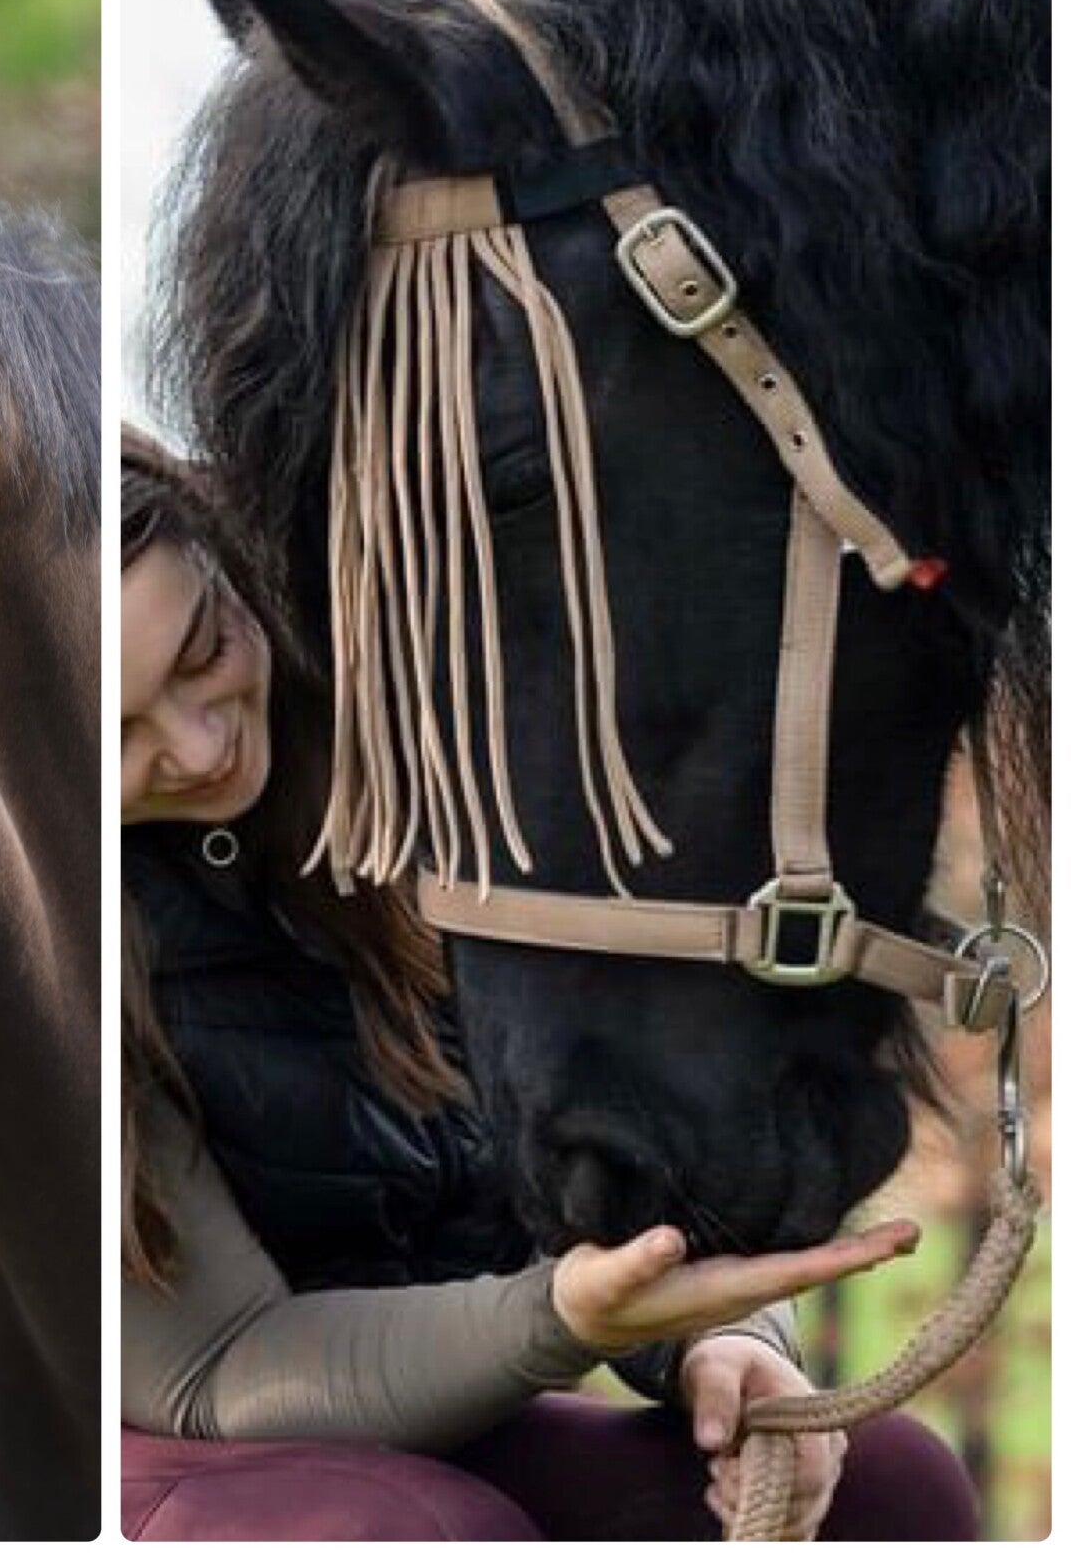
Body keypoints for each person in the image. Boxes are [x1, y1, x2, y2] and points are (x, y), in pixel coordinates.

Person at [119, 425, 980, 1541]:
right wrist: (564, 1316)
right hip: (182, 1451)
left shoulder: (419, 749)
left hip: (459, 1421)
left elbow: (606, 1106)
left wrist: (727, 1342)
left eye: (200, 655)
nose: (196, 751)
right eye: (122, 736)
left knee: (891, 1487)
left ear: (233, 564)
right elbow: (217, 1369)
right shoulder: (58, 940)